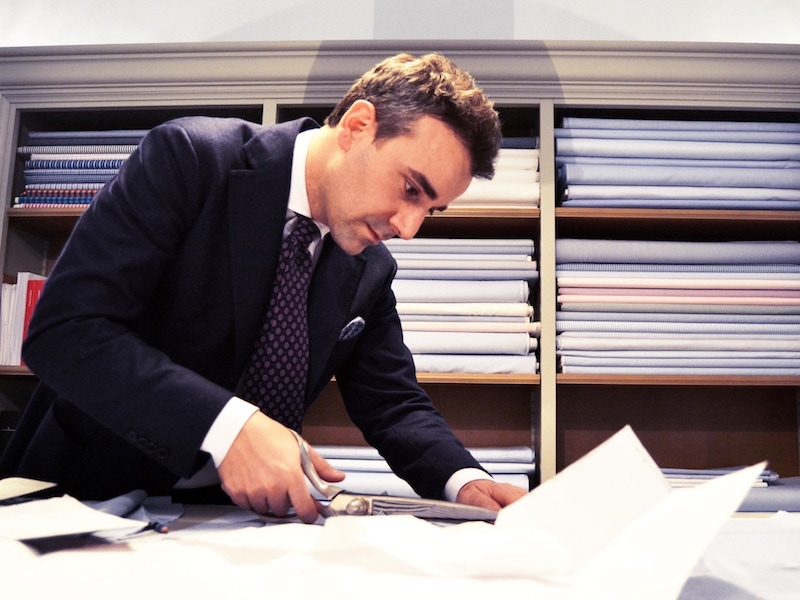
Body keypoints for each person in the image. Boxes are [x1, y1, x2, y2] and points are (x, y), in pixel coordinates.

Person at [0, 53, 527, 522]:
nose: (409, 227)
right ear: (359, 125)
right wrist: (229, 426)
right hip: (78, 501)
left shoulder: (370, 267)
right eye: (411, 189)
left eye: (429, 211)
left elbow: (391, 401)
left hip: (226, 524)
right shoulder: (191, 158)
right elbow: (66, 331)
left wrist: (464, 480)